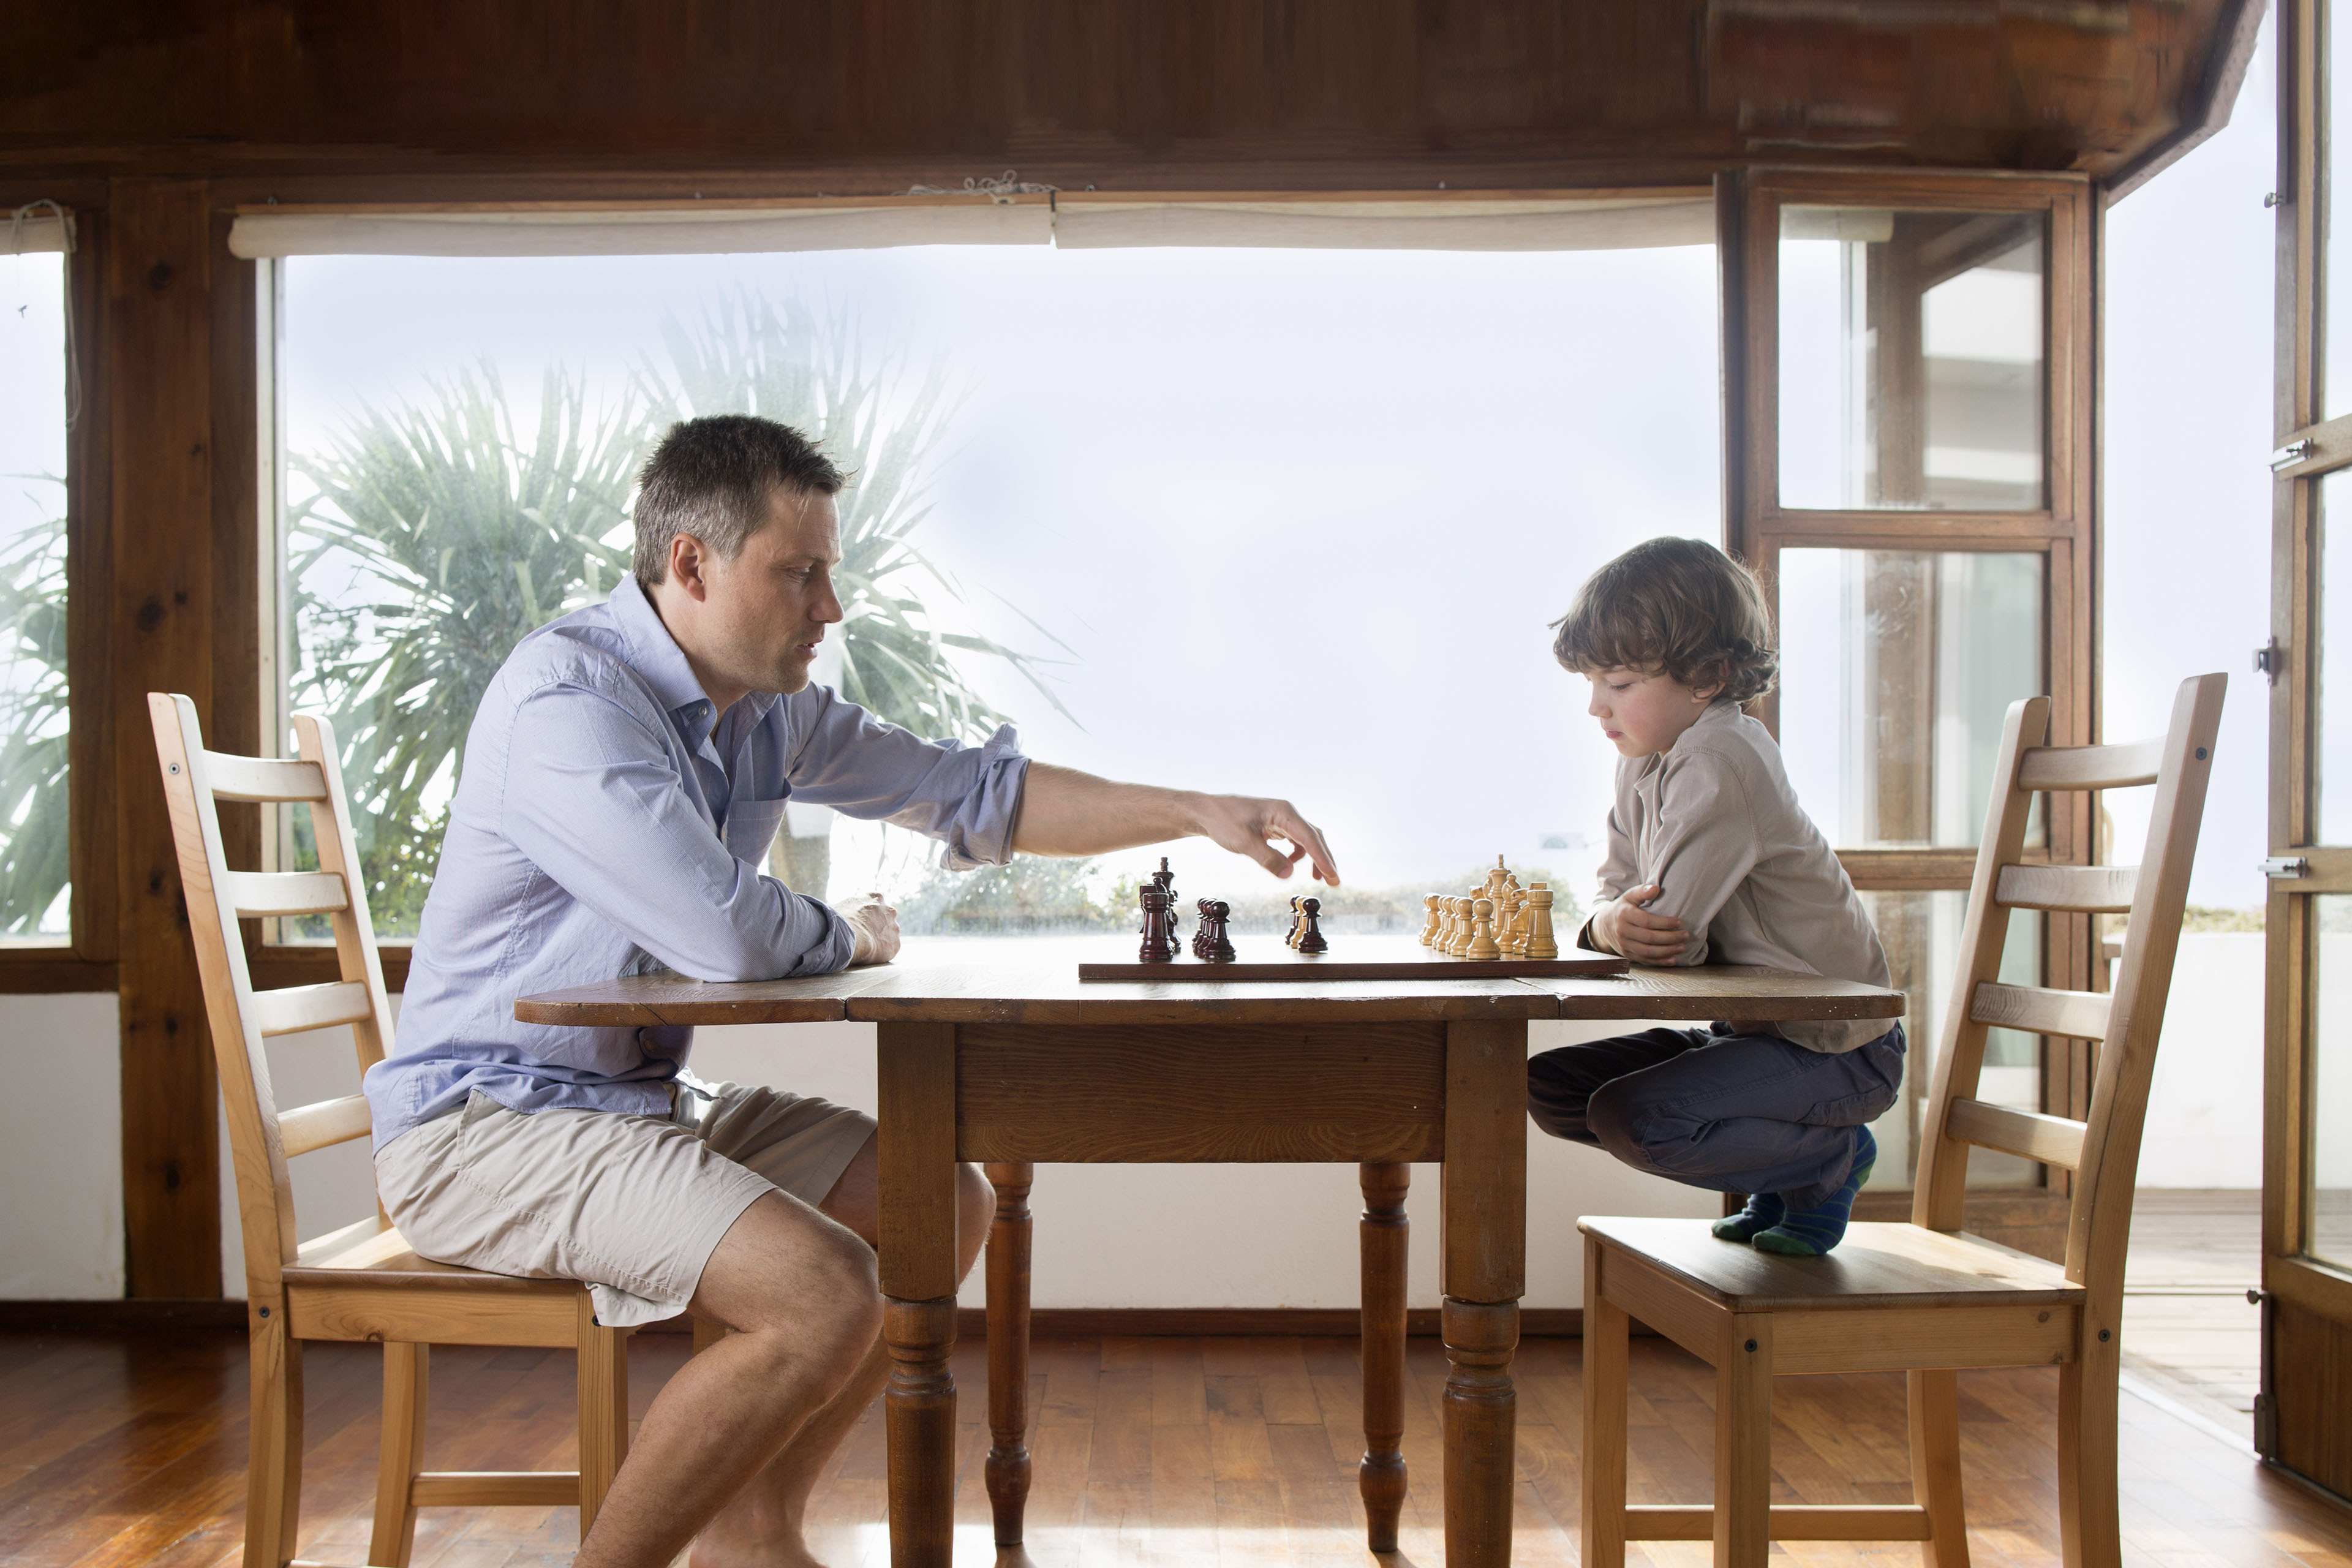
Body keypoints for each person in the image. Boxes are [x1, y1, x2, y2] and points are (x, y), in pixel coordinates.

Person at [362, 413, 1341, 1568]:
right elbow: (722, 930)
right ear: (692, 565)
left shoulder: (762, 710)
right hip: (486, 1126)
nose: (831, 608)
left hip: (628, 1108)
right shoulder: (567, 705)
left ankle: (750, 1532)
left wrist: (1198, 811)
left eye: (831, 573)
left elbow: (973, 793)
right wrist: (856, 935)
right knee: (825, 1295)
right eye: (803, 573)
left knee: (941, 1201)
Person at [1526, 536, 1899, 1258]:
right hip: (1754, 1037)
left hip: (1839, 1050)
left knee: (1639, 1116)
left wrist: (1619, 924)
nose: (1597, 706)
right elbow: (1616, 901)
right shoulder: (1644, 763)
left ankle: (1825, 1162)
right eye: (1593, 682)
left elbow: (1669, 939)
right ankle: (1796, 1168)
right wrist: (1611, 922)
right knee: (1553, 1084)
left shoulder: (1721, 756)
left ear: (1708, 676)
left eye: (1622, 683)